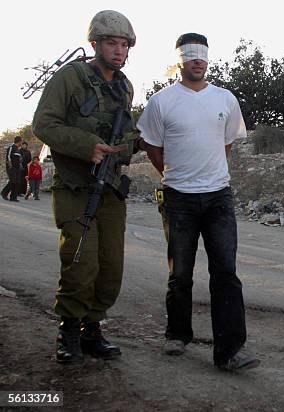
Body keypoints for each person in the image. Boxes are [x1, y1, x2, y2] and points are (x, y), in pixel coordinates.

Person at [137, 32, 259, 372]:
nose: (197, 60)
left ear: (208, 58)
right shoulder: (162, 102)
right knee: (181, 273)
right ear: (179, 59)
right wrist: (175, 175)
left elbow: (227, 144)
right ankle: (177, 333)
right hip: (178, 199)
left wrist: (211, 174)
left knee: (225, 273)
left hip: (219, 197)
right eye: (190, 55)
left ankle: (230, 351)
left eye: (202, 54)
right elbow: (152, 146)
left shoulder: (225, 99)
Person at [32, 10, 139, 364]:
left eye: (124, 44)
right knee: (80, 263)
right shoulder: (70, 78)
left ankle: (92, 330)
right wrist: (86, 146)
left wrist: (130, 143)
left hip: (110, 189)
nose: (119, 50)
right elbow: (44, 124)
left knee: (111, 267)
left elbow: (126, 133)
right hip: (76, 187)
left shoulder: (124, 86)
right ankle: (68, 331)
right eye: (112, 43)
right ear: (95, 43)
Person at [2, 136, 23, 202]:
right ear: (19, 141)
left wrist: (20, 160)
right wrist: (10, 165)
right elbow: (8, 157)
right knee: (12, 181)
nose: (22, 142)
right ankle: (4, 193)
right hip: (12, 167)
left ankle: (13, 197)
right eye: (21, 141)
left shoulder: (18, 149)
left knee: (17, 182)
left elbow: (18, 158)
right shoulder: (11, 147)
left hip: (17, 168)